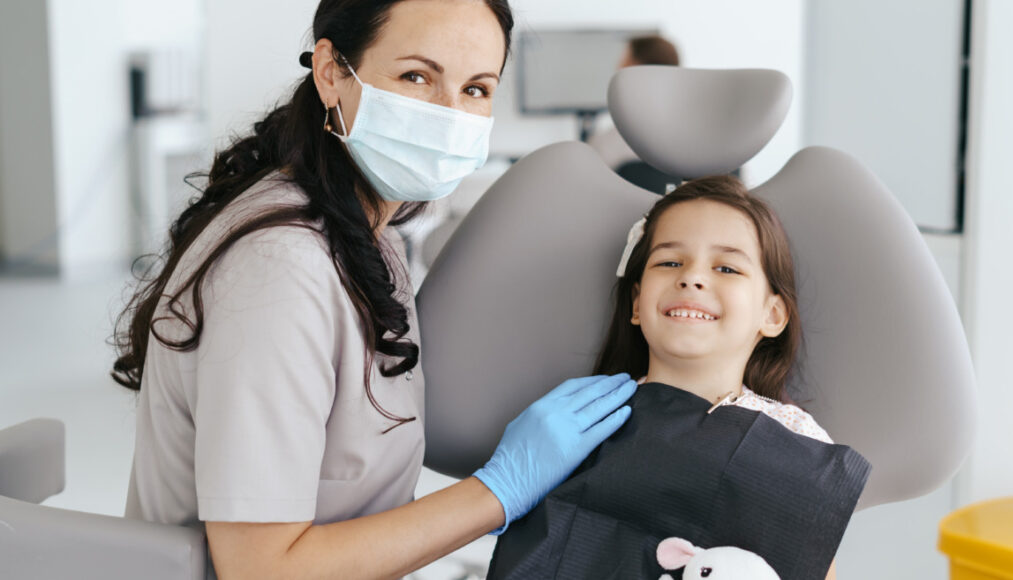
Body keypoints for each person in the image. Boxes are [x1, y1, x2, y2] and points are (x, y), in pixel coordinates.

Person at [111, 1, 636, 578]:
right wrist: (498, 492)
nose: (450, 113)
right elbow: (261, 569)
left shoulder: (363, 233)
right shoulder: (280, 267)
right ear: (332, 70)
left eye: (477, 89)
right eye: (417, 76)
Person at [487, 175, 870, 579]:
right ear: (637, 303)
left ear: (771, 314)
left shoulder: (794, 438)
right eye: (670, 262)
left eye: (726, 267)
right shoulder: (583, 419)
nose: (692, 278)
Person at [588, 34, 681, 192]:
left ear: (633, 69)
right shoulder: (696, 140)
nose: (617, 67)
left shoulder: (607, 144)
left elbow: (589, 185)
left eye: (624, 60)